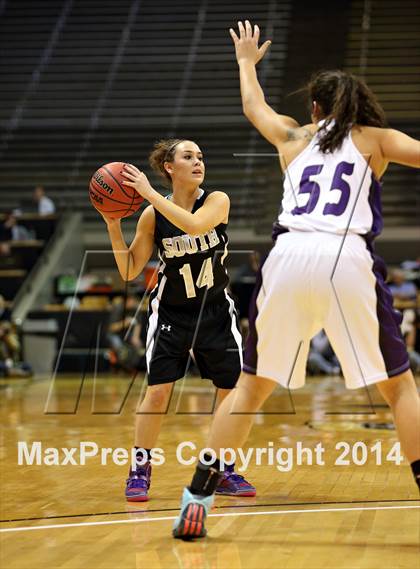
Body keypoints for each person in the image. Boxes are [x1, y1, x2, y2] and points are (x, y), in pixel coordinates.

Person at [171, 20, 420, 540]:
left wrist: (245, 62)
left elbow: (253, 106)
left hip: (285, 256)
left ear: (314, 109)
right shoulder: (376, 138)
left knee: (251, 387)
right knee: (399, 388)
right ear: (359, 106)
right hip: (343, 254)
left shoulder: (292, 136)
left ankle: (197, 495)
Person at [102, 138, 255, 501]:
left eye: (201, 156)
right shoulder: (152, 215)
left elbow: (196, 227)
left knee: (230, 393)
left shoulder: (217, 200)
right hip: (172, 313)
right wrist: (111, 223)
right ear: (170, 167)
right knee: (157, 394)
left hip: (216, 310)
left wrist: (149, 193)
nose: (198, 162)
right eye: (189, 156)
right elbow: (128, 270)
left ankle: (222, 467)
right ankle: (140, 466)